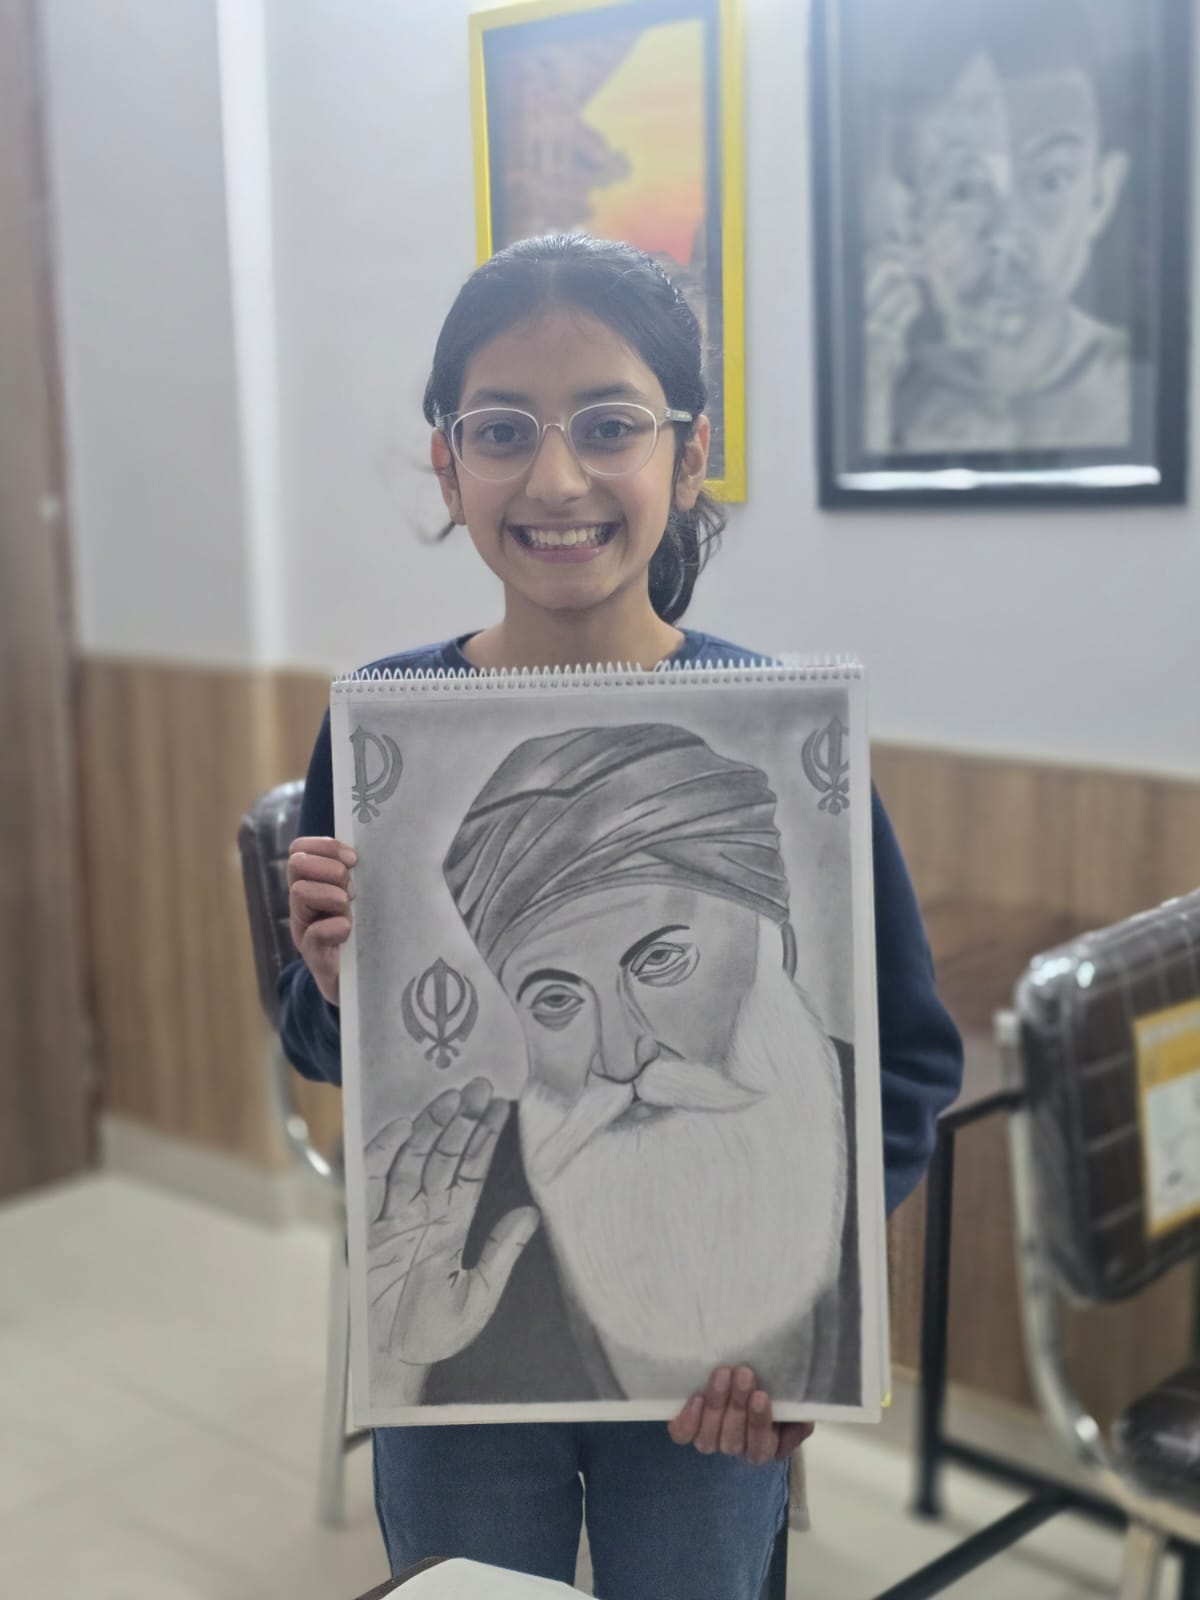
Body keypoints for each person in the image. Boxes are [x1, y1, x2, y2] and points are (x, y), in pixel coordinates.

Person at [279, 232, 963, 1600]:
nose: (556, 477)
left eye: (608, 425)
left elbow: (909, 1060)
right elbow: (322, 1041)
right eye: (501, 430)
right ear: (447, 463)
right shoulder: (376, 736)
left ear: (688, 453)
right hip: (466, 1361)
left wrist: (818, 1306)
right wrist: (336, 982)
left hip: (718, 1386)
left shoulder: (780, 737)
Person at [365, 722, 855, 1411]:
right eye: (557, 1000)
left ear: (781, 949)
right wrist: (394, 1364)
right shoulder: (467, 1204)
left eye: (661, 961)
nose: (622, 1055)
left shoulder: (868, 1118)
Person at [863, 0, 1132, 455]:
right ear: (912, 214)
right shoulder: (885, 384)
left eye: (1049, 180)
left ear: (1102, 193)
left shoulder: (1137, 384)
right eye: (966, 189)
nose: (1006, 236)